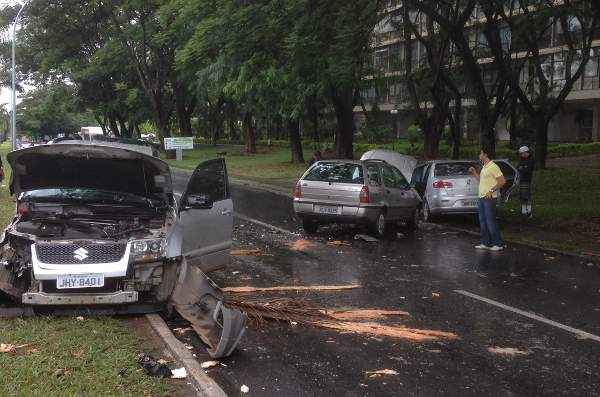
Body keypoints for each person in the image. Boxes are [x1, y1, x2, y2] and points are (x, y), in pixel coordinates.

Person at [469, 148, 507, 251]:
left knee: (490, 221)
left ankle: (498, 244)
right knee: (483, 221)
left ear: (485, 155)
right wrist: (474, 173)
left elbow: (502, 181)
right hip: (482, 197)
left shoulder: (493, 166)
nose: (479, 155)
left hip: (490, 198)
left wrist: (491, 190)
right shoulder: (484, 167)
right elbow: (481, 181)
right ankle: (486, 243)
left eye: (480, 153)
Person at [517, 146, 535, 218]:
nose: (521, 155)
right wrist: (522, 168)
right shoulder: (521, 160)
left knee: (527, 197)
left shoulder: (531, 160)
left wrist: (522, 168)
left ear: (526, 152)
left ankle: (529, 212)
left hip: (527, 180)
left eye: (522, 153)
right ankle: (524, 212)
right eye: (520, 154)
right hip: (521, 180)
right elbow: (518, 168)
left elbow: (527, 170)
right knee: (522, 197)